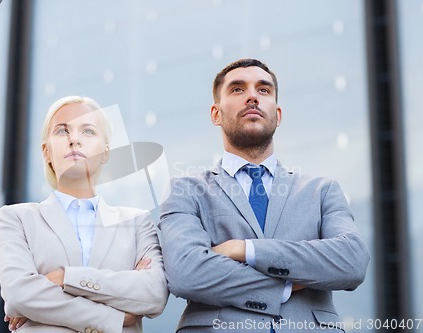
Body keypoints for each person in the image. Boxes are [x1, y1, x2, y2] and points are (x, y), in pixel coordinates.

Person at [158, 58, 370, 332]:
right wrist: (287, 284)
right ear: (216, 114)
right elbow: (187, 273)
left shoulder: (322, 190)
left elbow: (351, 260)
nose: (252, 97)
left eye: (263, 90)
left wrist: (245, 249)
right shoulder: (185, 189)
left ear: (278, 115)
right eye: (237, 89)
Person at [0, 96, 168, 333]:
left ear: (105, 152)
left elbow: (154, 295)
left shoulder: (136, 222)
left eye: (87, 131)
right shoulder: (17, 218)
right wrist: (114, 318)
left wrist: (66, 277)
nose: (74, 139)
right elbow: (18, 295)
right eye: (62, 131)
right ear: (46, 151)